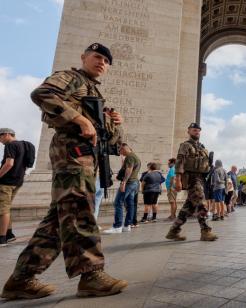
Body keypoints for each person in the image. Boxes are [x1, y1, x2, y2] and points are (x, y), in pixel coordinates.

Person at [2, 43, 127, 300]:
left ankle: (21, 280)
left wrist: (114, 125)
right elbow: (42, 93)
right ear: (84, 57)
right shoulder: (71, 77)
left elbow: (110, 142)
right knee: (79, 211)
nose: (101, 62)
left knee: (57, 222)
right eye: (97, 57)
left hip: (85, 158)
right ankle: (91, 275)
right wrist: (79, 119)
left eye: (106, 60)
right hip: (72, 154)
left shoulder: (93, 92)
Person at [165, 123, 217, 242]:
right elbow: (179, 163)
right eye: (194, 130)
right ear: (188, 131)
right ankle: (205, 231)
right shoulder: (185, 145)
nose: (196, 132)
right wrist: (178, 180)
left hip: (200, 178)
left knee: (188, 207)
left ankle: (173, 231)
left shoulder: (202, 148)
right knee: (201, 203)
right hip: (191, 178)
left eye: (198, 130)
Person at [104, 144, 141, 234]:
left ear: (124, 149)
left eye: (120, 150)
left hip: (129, 183)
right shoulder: (135, 157)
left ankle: (117, 226)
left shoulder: (129, 157)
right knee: (130, 204)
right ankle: (127, 225)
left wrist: (123, 182)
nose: (120, 153)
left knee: (118, 202)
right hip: (134, 182)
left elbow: (129, 169)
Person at [0, 128, 28, 247]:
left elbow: (9, 163)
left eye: (0, 137)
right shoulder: (26, 145)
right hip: (18, 182)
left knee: (2, 209)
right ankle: (9, 234)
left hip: (6, 182)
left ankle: (2, 238)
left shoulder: (10, 145)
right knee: (7, 207)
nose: (0, 140)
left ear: (7, 134)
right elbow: (26, 165)